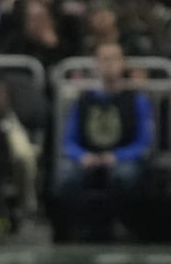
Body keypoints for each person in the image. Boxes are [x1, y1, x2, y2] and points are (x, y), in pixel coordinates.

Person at [53, 41, 155, 242]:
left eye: (114, 58)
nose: (109, 64)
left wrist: (115, 157)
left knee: (125, 175)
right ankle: (77, 227)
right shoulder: (83, 100)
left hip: (122, 158)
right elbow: (68, 141)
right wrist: (83, 156)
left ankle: (121, 224)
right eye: (104, 59)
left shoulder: (137, 100)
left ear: (123, 64)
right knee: (65, 174)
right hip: (88, 157)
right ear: (96, 64)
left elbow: (144, 143)